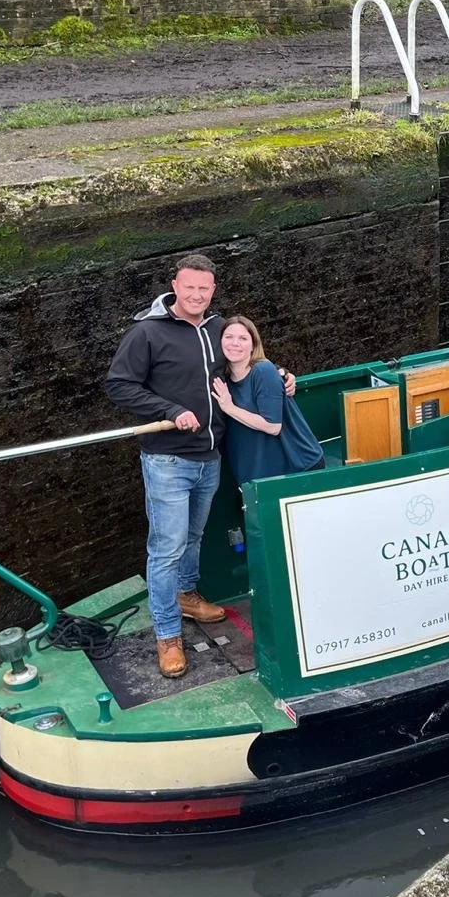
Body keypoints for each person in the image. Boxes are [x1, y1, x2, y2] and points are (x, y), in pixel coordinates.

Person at [105, 253, 294, 679]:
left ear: (213, 290)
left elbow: (242, 360)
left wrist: (280, 374)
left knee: (193, 536)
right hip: (167, 460)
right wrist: (170, 410)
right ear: (174, 285)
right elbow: (119, 385)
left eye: (203, 289)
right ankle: (168, 635)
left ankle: (187, 595)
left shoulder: (217, 327)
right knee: (166, 548)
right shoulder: (147, 332)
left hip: (210, 456)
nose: (195, 295)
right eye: (188, 287)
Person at [212, 315, 325, 485]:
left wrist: (230, 408)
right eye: (228, 337)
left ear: (253, 345)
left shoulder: (263, 371)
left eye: (243, 338)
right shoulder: (222, 379)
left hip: (296, 468)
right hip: (256, 475)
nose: (235, 343)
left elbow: (273, 426)